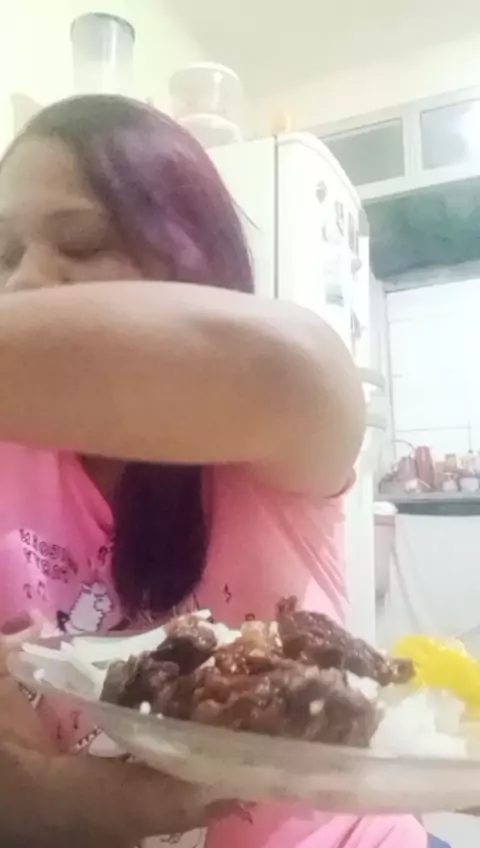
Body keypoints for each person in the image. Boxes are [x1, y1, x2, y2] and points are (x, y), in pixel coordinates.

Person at [0, 94, 426, 847]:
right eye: (4, 255)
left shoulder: (278, 417)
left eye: (84, 242)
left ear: (191, 257)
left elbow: (294, 365)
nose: (24, 288)